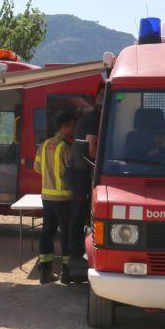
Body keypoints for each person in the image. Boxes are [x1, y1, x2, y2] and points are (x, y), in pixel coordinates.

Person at [64, 84, 103, 283]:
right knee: (78, 216)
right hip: (80, 172)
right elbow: (91, 148)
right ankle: (75, 256)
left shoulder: (94, 117)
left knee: (81, 215)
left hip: (82, 171)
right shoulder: (93, 119)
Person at [33, 112, 76, 284]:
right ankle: (66, 272)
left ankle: (45, 271)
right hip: (64, 199)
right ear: (64, 128)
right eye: (72, 127)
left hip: (47, 197)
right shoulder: (66, 147)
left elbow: (37, 168)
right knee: (66, 234)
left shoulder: (43, 145)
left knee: (47, 233)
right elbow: (71, 174)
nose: (73, 130)